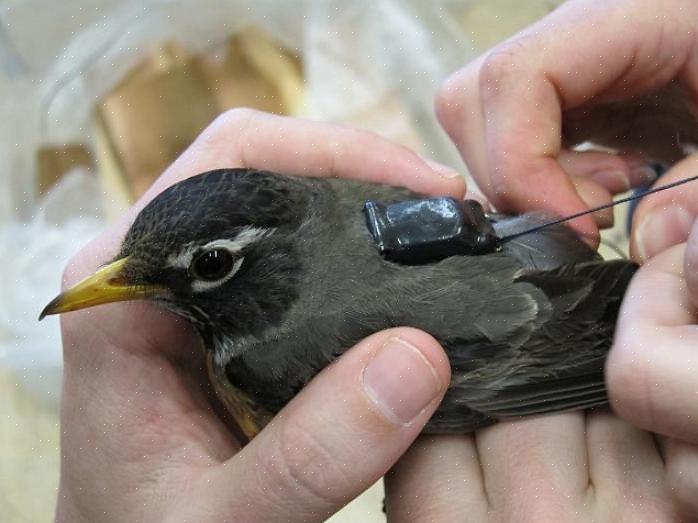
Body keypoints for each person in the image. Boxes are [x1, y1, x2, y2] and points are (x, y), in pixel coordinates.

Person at [57, 1, 698, 521]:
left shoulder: (271, 360)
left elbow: (535, 361)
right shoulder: (327, 198)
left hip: (571, 312)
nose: (106, 284)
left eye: (214, 263)